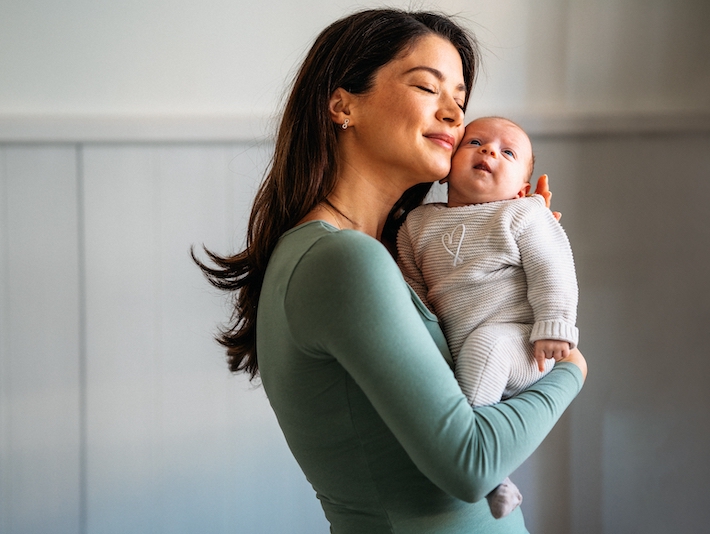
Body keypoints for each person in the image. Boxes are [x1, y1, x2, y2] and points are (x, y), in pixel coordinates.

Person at [193, 9, 587, 533]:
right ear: (343, 105)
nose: (453, 115)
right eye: (427, 87)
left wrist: (502, 254)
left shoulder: (373, 252)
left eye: (460, 100)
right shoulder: (343, 260)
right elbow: (469, 463)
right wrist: (572, 371)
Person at [396, 116, 579, 518]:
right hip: (462, 353)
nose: (489, 150)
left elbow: (553, 267)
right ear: (446, 168)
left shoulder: (523, 214)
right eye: (475, 142)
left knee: (488, 345)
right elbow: (413, 288)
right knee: (468, 360)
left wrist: (554, 324)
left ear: (522, 190)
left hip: (522, 345)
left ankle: (477, 459)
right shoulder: (417, 224)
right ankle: (497, 477)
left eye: (507, 152)